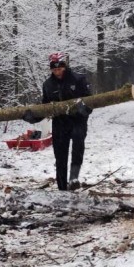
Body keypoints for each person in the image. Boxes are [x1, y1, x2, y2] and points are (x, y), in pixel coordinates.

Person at [25, 52, 92, 191]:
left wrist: (83, 109)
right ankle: (62, 187)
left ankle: (73, 178)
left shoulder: (78, 80)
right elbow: (45, 107)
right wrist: (34, 118)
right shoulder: (48, 85)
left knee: (78, 143)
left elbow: (90, 103)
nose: (57, 71)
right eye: (54, 69)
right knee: (60, 155)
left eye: (59, 68)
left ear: (64, 66)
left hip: (77, 121)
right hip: (60, 123)